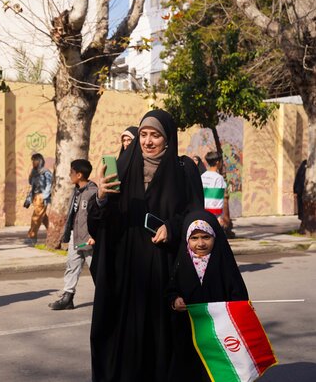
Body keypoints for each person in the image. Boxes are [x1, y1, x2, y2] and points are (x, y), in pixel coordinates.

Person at [87, 109, 204, 382]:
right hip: (128, 273)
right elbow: (103, 224)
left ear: (168, 139)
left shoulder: (184, 172)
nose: (148, 141)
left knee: (164, 343)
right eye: (143, 134)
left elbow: (196, 219)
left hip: (166, 270)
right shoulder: (124, 168)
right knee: (124, 342)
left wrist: (173, 228)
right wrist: (101, 197)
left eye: (156, 135)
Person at [166, 210, 249, 382]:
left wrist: (239, 308)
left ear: (215, 237)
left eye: (206, 237)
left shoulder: (224, 263)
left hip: (219, 334)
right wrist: (175, 300)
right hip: (189, 333)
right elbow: (171, 289)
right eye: (194, 238)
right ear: (186, 239)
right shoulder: (182, 262)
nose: (200, 243)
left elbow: (238, 294)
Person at [49, 159, 98, 310]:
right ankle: (67, 298)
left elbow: (98, 216)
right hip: (75, 237)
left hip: (89, 239)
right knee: (72, 266)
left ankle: (107, 298)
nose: (69, 175)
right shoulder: (76, 191)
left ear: (79, 175)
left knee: (97, 269)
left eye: (71, 172)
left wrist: (95, 236)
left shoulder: (93, 192)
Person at [23, 153, 52, 244]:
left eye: (35, 160)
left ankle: (32, 237)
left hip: (41, 197)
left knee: (36, 217)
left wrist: (44, 196)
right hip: (35, 196)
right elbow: (31, 184)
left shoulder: (45, 172)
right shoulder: (35, 172)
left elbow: (49, 184)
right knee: (43, 218)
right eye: (32, 160)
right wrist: (32, 174)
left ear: (39, 161)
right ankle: (53, 232)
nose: (33, 162)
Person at [201, 151, 226, 221]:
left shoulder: (202, 176)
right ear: (218, 162)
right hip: (213, 214)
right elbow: (218, 198)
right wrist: (219, 217)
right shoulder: (218, 178)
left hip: (202, 212)